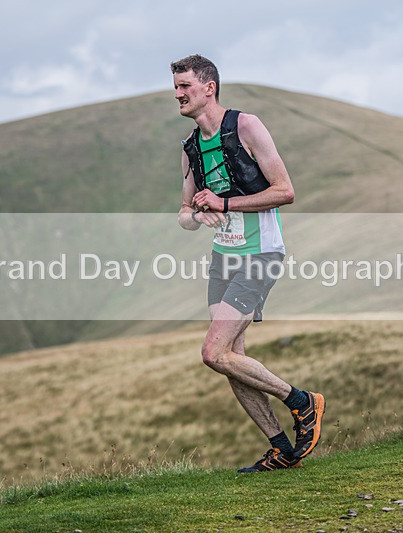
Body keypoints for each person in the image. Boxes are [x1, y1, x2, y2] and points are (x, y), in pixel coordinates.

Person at [172, 54, 326, 473]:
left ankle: (302, 401)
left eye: (185, 86)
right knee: (231, 358)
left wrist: (224, 202)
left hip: (262, 254)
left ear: (210, 87)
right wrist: (201, 215)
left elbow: (285, 191)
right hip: (223, 259)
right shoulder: (190, 148)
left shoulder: (246, 127)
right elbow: (184, 214)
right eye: (176, 87)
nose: (178, 94)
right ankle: (281, 447)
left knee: (212, 351)